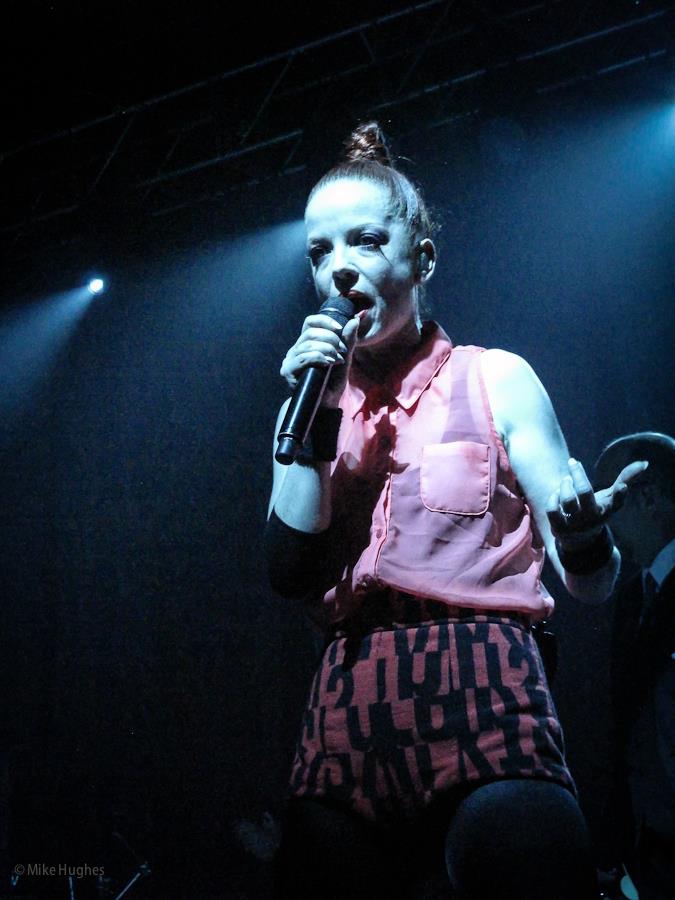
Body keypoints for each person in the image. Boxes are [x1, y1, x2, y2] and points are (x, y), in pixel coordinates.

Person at [265, 122, 645, 900]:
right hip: (349, 694)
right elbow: (289, 571)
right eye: (319, 252)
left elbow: (591, 584)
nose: (339, 267)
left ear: (422, 259)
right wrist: (316, 412)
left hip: (483, 678)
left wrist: (581, 536)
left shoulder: (494, 378)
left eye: (365, 241)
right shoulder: (310, 406)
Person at [595, 433, 675, 900]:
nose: (602, 515)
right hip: (649, 848)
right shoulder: (630, 599)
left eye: (614, 499)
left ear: (648, 498)